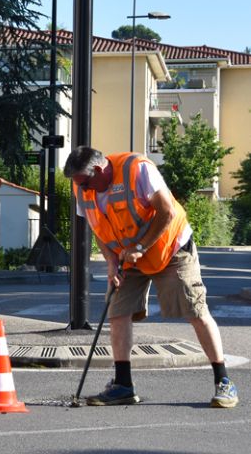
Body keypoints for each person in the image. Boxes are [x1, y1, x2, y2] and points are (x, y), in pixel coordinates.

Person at [63, 146, 238, 408]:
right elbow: (96, 225)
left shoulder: (138, 169)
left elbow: (166, 211)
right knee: (118, 311)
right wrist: (111, 262)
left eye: (85, 183)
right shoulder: (82, 188)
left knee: (195, 310)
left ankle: (223, 381)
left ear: (99, 170)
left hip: (171, 249)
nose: (83, 190)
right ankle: (123, 386)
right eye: (79, 185)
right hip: (128, 255)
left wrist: (141, 247)